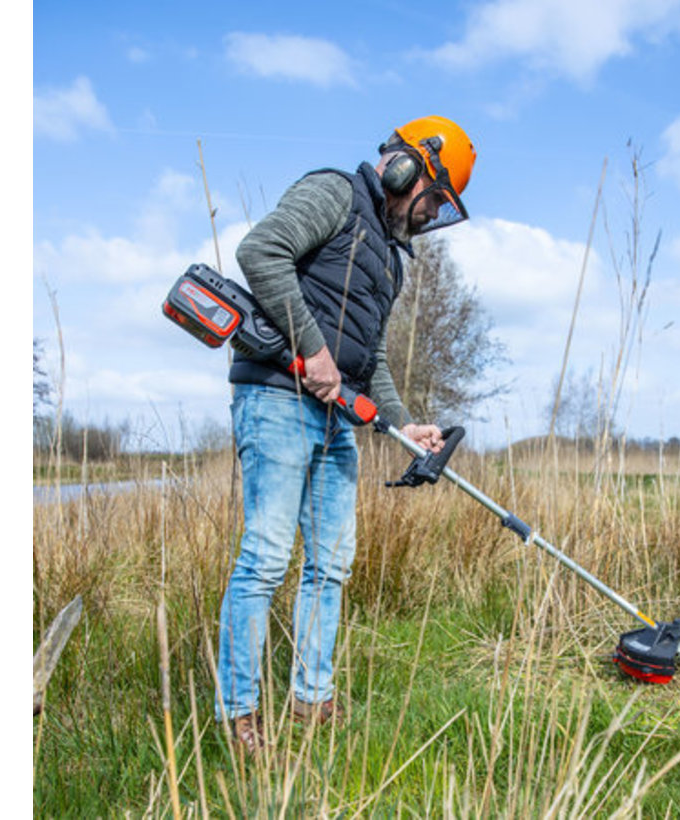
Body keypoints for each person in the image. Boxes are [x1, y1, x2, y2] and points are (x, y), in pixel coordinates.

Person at [215, 116, 477, 753]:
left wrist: (401, 422)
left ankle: (312, 701)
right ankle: (240, 714)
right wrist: (311, 349)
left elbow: (371, 356)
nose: (430, 213)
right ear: (404, 170)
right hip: (278, 399)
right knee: (268, 557)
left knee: (330, 565)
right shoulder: (334, 194)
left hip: (337, 416)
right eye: (434, 198)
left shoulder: (391, 260)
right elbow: (260, 252)